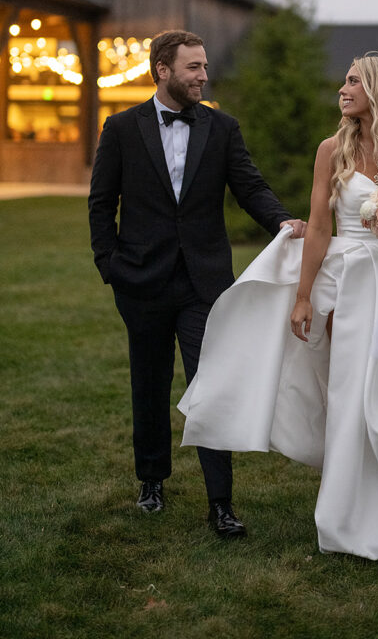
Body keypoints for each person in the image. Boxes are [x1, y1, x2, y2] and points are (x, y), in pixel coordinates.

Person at [180, 54, 378, 562]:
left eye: (354, 80)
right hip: (354, 290)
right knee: (355, 399)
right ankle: (348, 519)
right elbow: (318, 226)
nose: (343, 87)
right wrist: (304, 294)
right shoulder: (332, 150)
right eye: (345, 79)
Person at [88, 29, 305, 538]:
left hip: (204, 283)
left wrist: (281, 221)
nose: (203, 75)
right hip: (140, 279)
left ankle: (221, 502)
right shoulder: (120, 128)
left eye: (204, 66)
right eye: (193, 67)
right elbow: (102, 203)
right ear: (163, 69)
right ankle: (151, 481)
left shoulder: (222, 127)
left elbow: (249, 185)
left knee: (211, 384)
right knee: (149, 382)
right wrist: (110, 265)